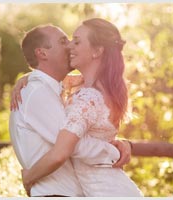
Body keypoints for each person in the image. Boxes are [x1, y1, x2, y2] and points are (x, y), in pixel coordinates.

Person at [19, 18, 143, 197]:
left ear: (97, 51)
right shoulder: (95, 87)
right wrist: (28, 78)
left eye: (76, 41)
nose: (69, 46)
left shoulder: (88, 98)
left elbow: (60, 153)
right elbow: (49, 79)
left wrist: (29, 177)